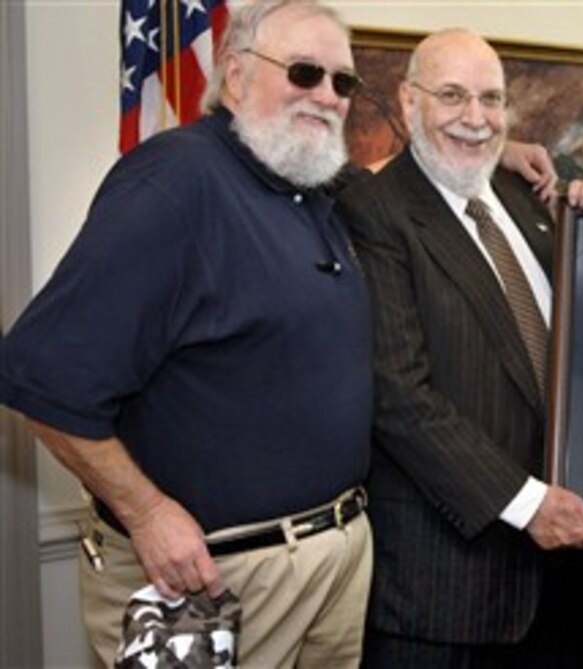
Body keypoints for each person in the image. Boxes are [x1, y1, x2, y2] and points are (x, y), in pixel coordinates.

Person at [0, 1, 377, 665]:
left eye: (342, 82)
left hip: (331, 565)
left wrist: (504, 160)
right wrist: (145, 512)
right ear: (233, 75)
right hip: (214, 581)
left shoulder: (308, 189)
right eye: (304, 72)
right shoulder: (175, 181)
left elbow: (420, 192)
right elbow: (42, 378)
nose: (327, 96)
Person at [336, 27, 583, 668]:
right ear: (409, 103)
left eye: (491, 100)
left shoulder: (527, 200)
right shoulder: (375, 212)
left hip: (567, 585)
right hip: (446, 597)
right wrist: (527, 504)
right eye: (452, 96)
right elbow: (401, 398)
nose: (476, 118)